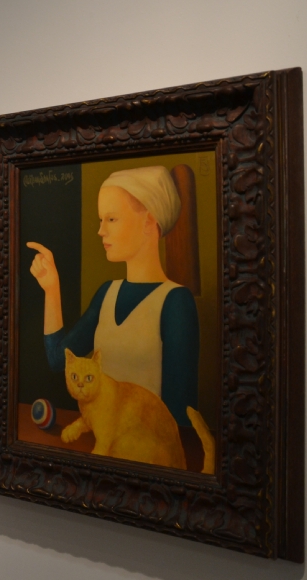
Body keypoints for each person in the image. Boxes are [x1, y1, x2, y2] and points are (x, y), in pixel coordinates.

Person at [27, 166, 199, 426]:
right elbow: (57, 360)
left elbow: (181, 418)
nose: (100, 231)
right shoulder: (107, 293)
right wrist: (51, 289)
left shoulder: (176, 302)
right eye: (100, 220)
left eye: (111, 219)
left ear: (149, 221)